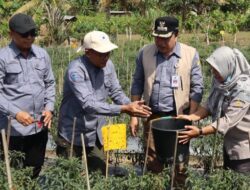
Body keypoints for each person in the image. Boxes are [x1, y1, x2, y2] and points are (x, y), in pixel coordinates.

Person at [56, 30, 151, 174]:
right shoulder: (75, 70)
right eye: (101, 54)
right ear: (88, 52)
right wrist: (124, 109)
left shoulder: (108, 65)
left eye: (108, 53)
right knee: (68, 176)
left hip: (95, 133)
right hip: (73, 132)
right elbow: (88, 104)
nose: (106, 57)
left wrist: (132, 107)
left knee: (98, 174)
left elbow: (116, 91)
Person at [129, 16, 203, 185]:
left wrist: (190, 117)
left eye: (165, 38)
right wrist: (133, 115)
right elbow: (137, 83)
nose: (160, 42)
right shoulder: (145, 53)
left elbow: (197, 88)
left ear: (176, 34)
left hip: (179, 117)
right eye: (157, 37)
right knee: (153, 161)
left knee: (180, 164)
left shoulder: (190, 54)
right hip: (152, 117)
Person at [178, 46, 250, 174]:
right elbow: (210, 104)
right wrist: (192, 117)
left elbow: (228, 121)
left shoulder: (244, 90)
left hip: (244, 150)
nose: (213, 72)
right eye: (212, 69)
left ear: (227, 67)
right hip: (229, 145)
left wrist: (200, 131)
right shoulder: (221, 82)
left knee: (240, 182)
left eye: (216, 70)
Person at [0, 13, 55, 178]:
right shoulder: (3, 58)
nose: (29, 38)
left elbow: (50, 83)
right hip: (12, 130)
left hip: (38, 128)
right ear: (11, 34)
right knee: (12, 175)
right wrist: (16, 113)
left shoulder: (42, 54)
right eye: (24, 34)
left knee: (34, 171)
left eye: (33, 33)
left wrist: (49, 108)